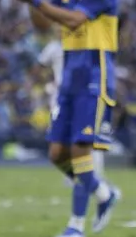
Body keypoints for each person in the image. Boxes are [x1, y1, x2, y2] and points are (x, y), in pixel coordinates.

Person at [8, 0, 121, 237]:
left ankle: (75, 225)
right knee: (58, 153)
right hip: (70, 73)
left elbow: (73, 21)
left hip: (94, 72)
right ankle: (102, 192)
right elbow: (43, 24)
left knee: (79, 149)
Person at [39, 34, 107, 186]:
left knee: (86, 136)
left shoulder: (86, 44)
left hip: (83, 95)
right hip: (61, 97)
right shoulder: (54, 47)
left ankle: (94, 175)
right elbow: (41, 68)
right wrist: (50, 84)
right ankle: (74, 174)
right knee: (62, 138)